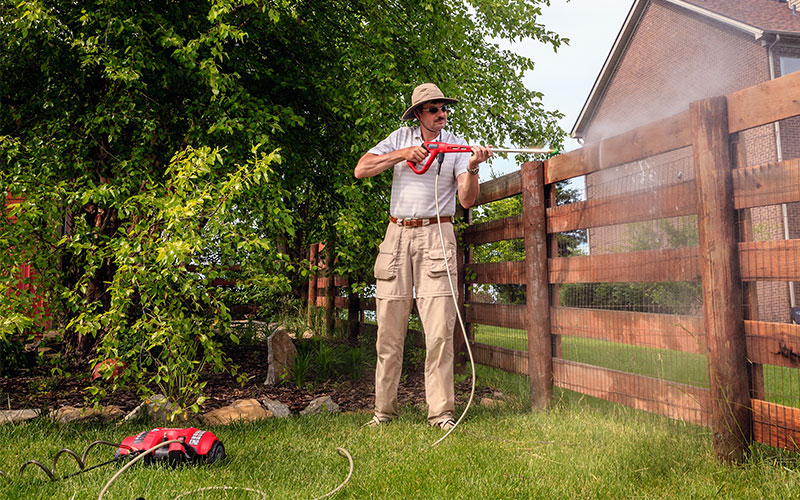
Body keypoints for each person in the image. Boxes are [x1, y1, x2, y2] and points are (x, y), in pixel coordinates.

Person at [354, 83, 492, 430]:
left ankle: (441, 414)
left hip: (437, 235)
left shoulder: (459, 147)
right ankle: (383, 413)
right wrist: (402, 155)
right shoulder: (399, 138)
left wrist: (474, 167)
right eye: (433, 108)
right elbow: (361, 169)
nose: (441, 114)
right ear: (418, 113)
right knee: (388, 331)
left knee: (440, 332)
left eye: (443, 107)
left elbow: (466, 200)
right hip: (396, 236)